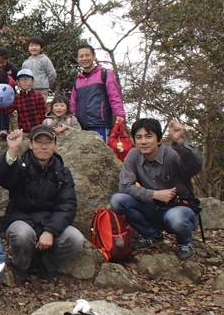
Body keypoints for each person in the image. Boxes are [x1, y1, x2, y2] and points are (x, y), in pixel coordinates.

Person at [0, 125, 84, 285]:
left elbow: (67, 206)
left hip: (49, 222)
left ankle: (47, 264)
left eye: (48, 142)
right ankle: (20, 266)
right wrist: (12, 150)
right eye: (39, 142)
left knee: (75, 238)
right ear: (30, 144)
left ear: (55, 145)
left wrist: (50, 230)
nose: (43, 146)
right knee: (22, 234)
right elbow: (1, 177)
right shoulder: (20, 166)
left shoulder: (62, 173)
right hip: (21, 220)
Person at [110, 119, 202, 260]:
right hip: (152, 207)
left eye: (149, 136)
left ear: (158, 139)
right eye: (139, 137)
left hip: (179, 207)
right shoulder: (133, 155)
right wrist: (154, 194)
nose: (144, 142)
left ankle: (185, 242)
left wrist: (179, 141)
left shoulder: (171, 154)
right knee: (118, 200)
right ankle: (152, 234)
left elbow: (194, 167)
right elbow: (125, 186)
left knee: (176, 219)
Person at [70, 44, 125, 142]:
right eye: (81, 56)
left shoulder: (105, 74)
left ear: (94, 56)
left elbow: (114, 96)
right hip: (80, 127)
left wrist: (119, 114)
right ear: (78, 59)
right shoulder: (77, 81)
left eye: (87, 55)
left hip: (100, 123)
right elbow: (73, 105)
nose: (84, 58)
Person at [1, 69, 46, 139]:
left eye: (28, 78)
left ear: (32, 82)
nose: (25, 81)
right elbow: (6, 111)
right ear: (18, 82)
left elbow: (44, 113)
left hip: (39, 131)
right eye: (21, 79)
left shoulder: (38, 96)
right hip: (25, 133)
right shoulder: (16, 98)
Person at [21, 37, 56, 101]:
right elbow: (23, 77)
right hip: (29, 91)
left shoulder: (45, 60)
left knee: (41, 110)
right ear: (28, 48)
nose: (34, 47)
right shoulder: (25, 63)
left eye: (36, 46)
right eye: (31, 46)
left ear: (41, 48)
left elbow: (52, 74)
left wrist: (46, 83)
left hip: (42, 91)